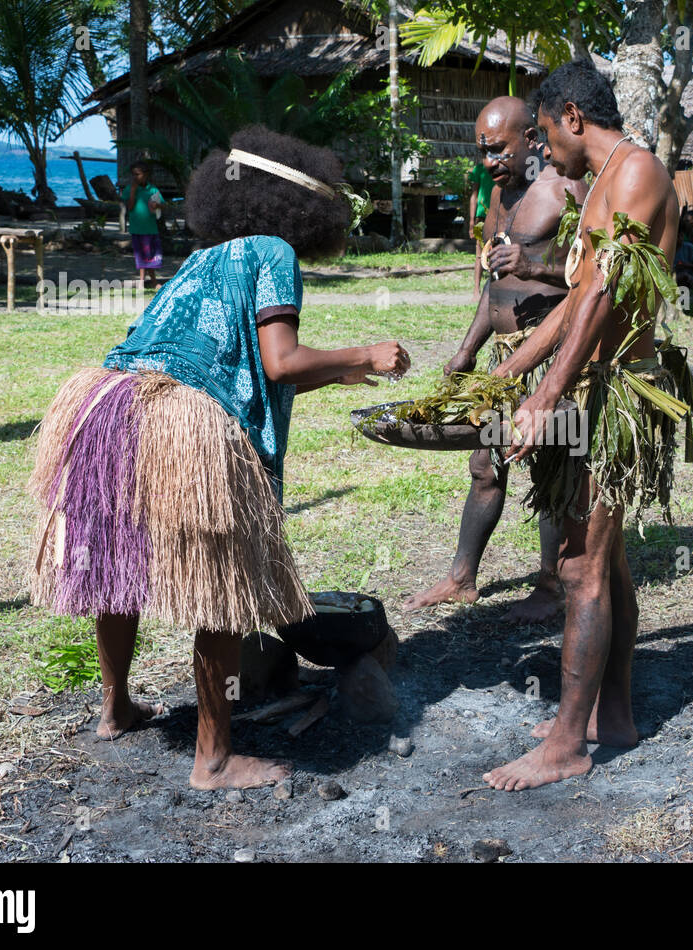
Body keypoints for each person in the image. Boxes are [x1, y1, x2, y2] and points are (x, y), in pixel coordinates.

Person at [27, 126, 411, 790]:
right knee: (223, 588)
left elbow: (240, 365)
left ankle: (115, 706)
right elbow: (279, 361)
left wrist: (336, 376)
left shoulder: (205, 255)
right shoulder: (276, 251)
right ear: (305, 210)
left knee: (120, 563)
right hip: (183, 425)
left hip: (110, 405)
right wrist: (367, 354)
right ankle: (214, 758)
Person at [484, 59, 693, 791]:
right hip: (585, 382)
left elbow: (608, 298)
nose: (545, 150)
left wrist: (545, 392)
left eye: (545, 134)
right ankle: (614, 714)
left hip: (618, 393)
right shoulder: (602, 185)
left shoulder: (639, 172)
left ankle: (567, 743)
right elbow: (575, 301)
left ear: (573, 115)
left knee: (580, 566)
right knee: (603, 562)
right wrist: (510, 373)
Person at [405, 97, 588, 623]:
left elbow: (593, 277)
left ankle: (552, 586)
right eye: (481, 151)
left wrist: (536, 263)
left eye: (496, 149)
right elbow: (495, 285)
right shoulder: (499, 195)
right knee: (484, 463)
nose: (487, 161)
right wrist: (467, 349)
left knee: (554, 465)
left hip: (554, 353)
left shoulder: (566, 186)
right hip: (505, 358)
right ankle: (463, 578)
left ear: (532, 137)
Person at [123, 161, 164, 289]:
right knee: (141, 256)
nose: (135, 177)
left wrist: (157, 205)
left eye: (138, 174)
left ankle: (151, 280)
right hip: (137, 229)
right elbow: (130, 207)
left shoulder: (153, 190)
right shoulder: (129, 189)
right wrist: (133, 192)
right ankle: (144, 281)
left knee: (151, 256)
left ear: (145, 175)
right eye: (133, 175)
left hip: (151, 229)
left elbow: (162, 204)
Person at [468, 160, 496, 299]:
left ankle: (494, 288)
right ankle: (476, 289)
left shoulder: (501, 167)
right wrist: (472, 220)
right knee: (479, 253)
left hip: (498, 214)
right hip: (481, 216)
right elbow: (474, 195)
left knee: (496, 251)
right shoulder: (479, 169)